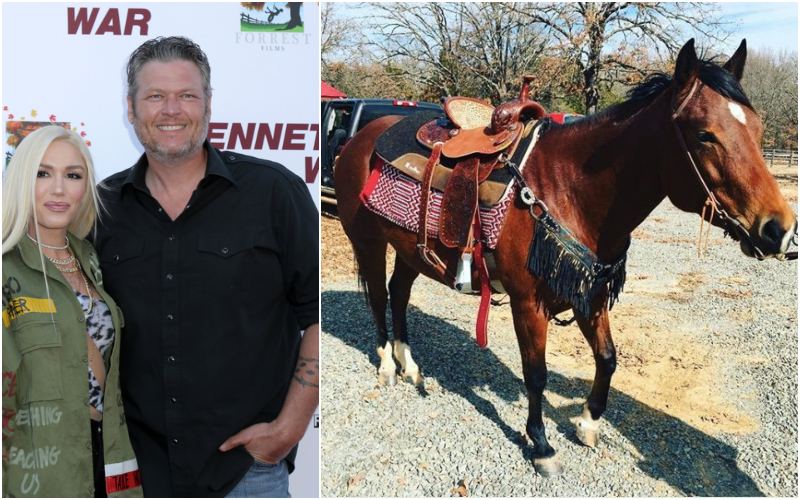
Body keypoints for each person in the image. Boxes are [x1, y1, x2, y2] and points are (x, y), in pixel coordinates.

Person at [92, 36, 319, 497]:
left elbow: (317, 313)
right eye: (155, 96)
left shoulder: (274, 193)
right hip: (136, 472)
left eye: (187, 95)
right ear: (131, 108)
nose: (171, 110)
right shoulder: (101, 208)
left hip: (247, 473)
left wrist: (290, 426)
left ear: (209, 104)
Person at [2, 126, 143, 498]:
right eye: (43, 173)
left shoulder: (90, 259)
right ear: (20, 179)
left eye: (73, 175)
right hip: (37, 472)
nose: (59, 188)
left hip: (106, 457)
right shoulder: (5, 268)